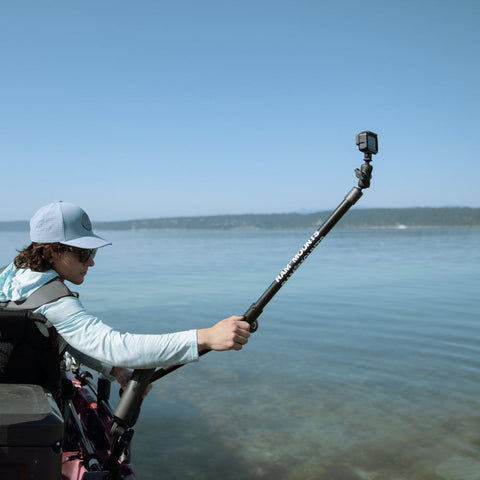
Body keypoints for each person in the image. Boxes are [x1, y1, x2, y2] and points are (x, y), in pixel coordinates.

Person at [0, 201, 250, 390]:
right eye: (83, 253)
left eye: (93, 253)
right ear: (51, 251)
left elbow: (49, 334)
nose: (91, 263)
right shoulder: (54, 300)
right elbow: (116, 346)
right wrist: (205, 337)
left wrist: (113, 369)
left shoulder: (9, 277)